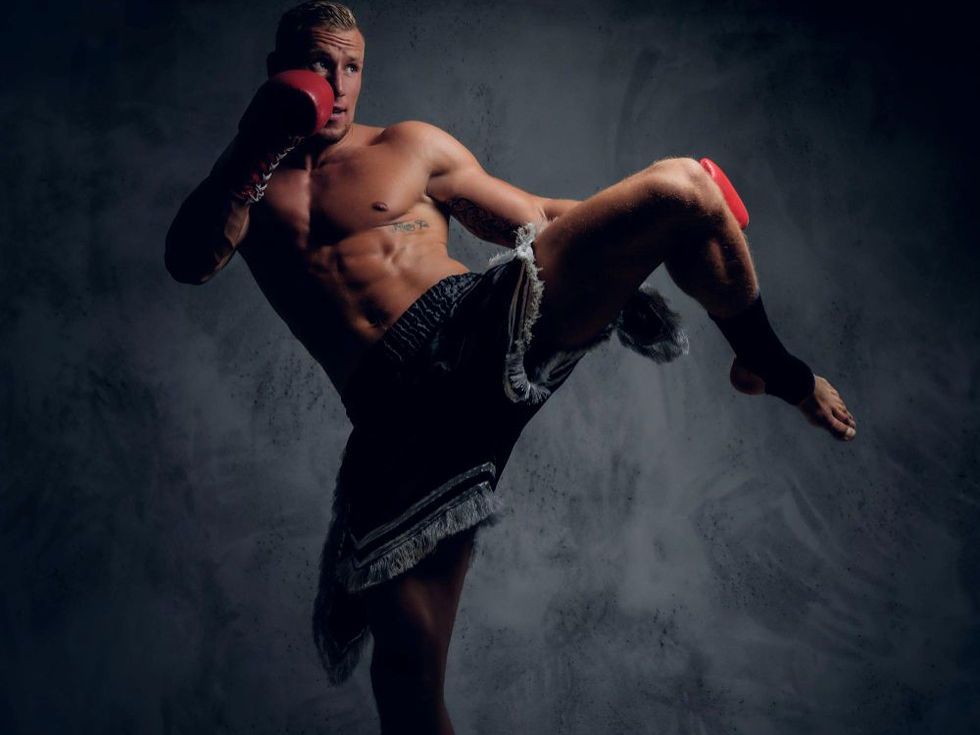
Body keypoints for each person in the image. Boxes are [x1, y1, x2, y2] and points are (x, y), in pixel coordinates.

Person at [165, 2, 857, 732]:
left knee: (681, 186)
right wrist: (254, 144)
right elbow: (190, 261)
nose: (336, 84)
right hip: (390, 426)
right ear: (282, 69)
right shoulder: (244, 189)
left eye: (352, 66)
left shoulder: (410, 146)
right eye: (319, 64)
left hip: (477, 329)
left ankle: (773, 367)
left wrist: (651, 228)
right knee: (404, 684)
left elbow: (534, 215)